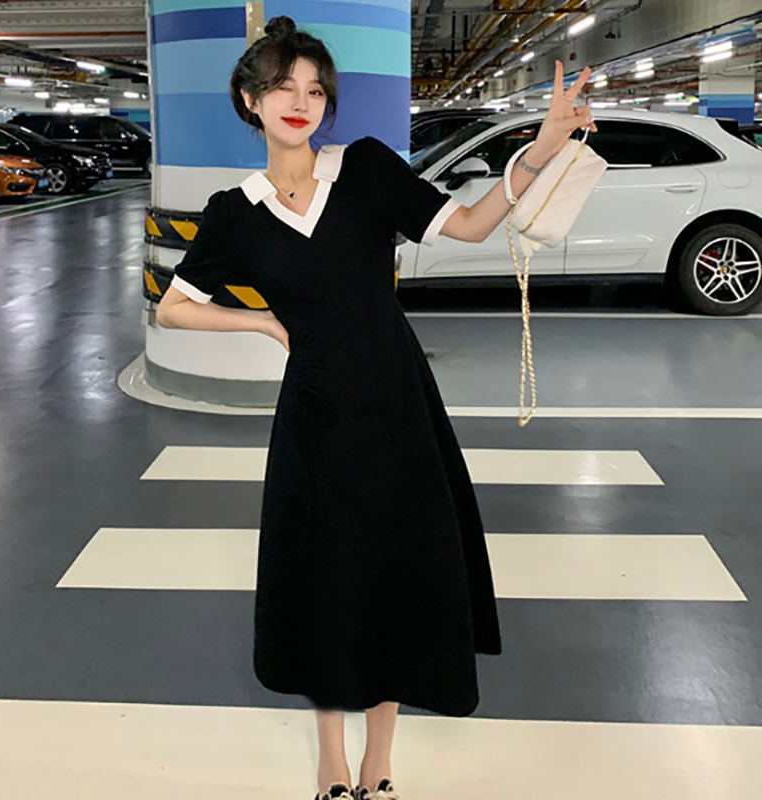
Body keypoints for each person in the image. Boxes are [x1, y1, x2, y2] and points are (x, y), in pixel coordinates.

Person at [156, 14, 596, 800]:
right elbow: (174, 308)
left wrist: (541, 148)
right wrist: (262, 322)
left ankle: (379, 758)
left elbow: (469, 227)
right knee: (326, 577)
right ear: (250, 100)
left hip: (395, 401)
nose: (301, 101)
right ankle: (331, 755)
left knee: (392, 569)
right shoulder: (235, 211)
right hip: (314, 412)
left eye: (314, 89)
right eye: (283, 87)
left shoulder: (363, 167)